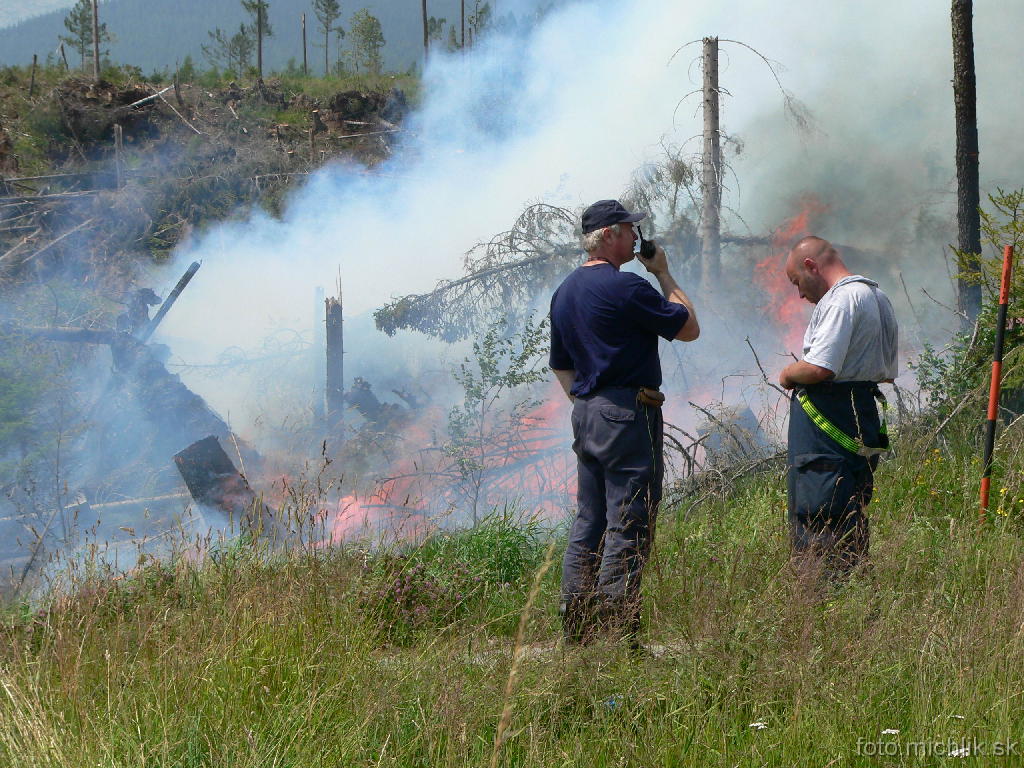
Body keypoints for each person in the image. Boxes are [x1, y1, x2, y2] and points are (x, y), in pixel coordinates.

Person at [549, 199, 700, 645]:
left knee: (589, 520)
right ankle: (617, 630)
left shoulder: (565, 292)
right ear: (611, 234)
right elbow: (689, 328)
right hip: (628, 414)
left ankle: (577, 627)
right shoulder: (628, 287)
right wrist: (663, 273)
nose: (637, 238)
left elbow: (560, 365)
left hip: (587, 414)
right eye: (630, 230)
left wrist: (588, 403)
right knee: (629, 518)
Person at [778, 236, 898, 580]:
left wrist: (788, 373)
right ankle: (851, 594)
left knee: (818, 512)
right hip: (860, 409)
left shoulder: (843, 299)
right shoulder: (878, 295)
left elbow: (819, 368)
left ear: (811, 266)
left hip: (828, 415)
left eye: (797, 282)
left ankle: (818, 608)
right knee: (850, 510)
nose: (800, 294)